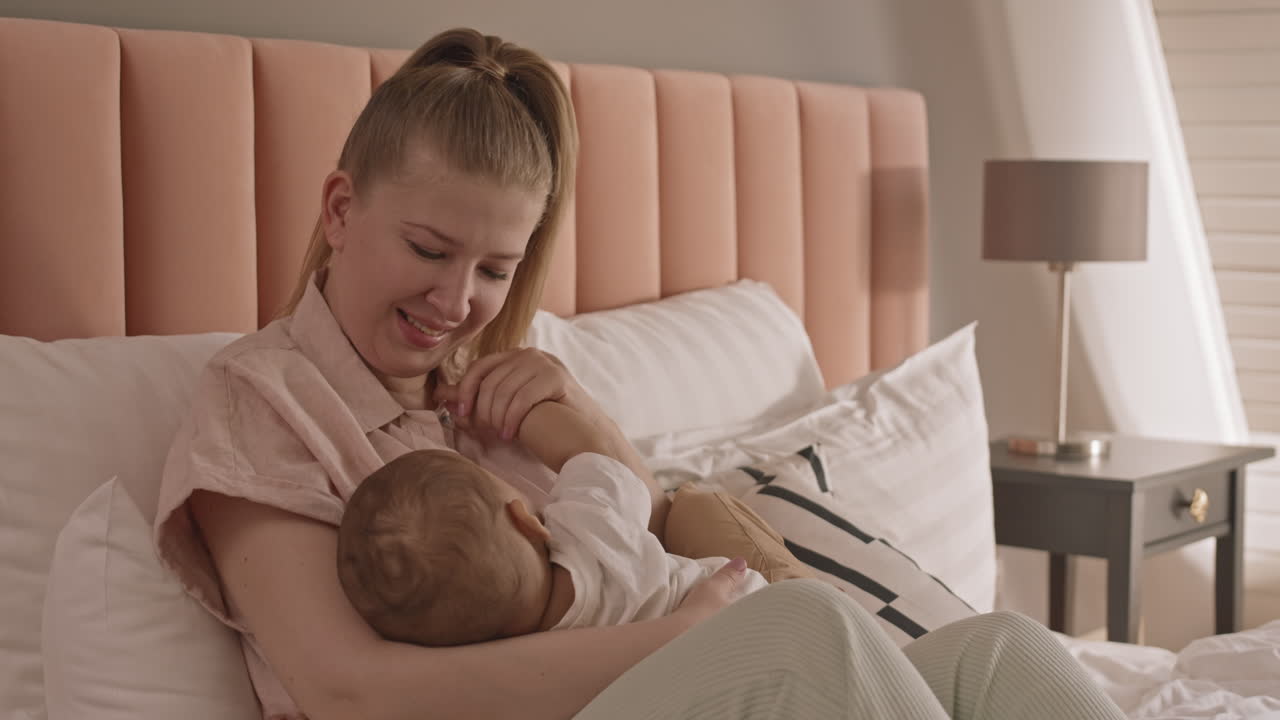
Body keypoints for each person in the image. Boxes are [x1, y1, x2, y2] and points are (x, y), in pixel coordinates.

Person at [154, 26, 1127, 720]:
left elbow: (644, 554)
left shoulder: (507, 397)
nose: (456, 301)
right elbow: (348, 693)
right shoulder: (263, 401)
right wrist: (686, 638)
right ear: (338, 208)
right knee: (802, 635)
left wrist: (589, 436)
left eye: (494, 269)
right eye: (426, 248)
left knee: (999, 651)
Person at [336, 400, 770, 647]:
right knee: (702, 506)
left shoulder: (516, 663)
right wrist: (523, 412)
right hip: (749, 615)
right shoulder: (589, 533)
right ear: (527, 521)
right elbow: (592, 450)